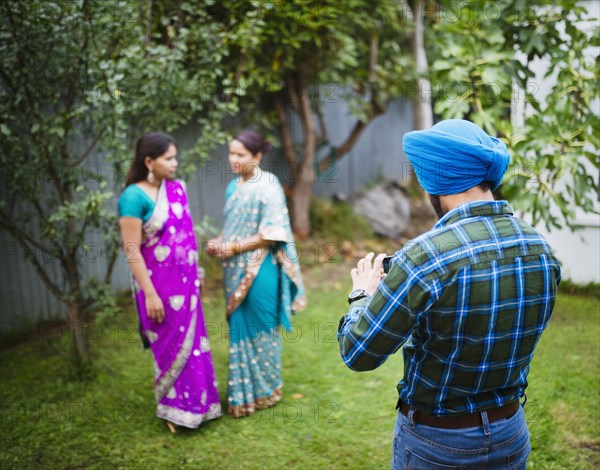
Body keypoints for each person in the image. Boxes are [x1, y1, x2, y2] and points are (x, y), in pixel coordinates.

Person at [337, 119, 561, 469]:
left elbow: (359, 353)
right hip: (511, 432)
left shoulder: (424, 256)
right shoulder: (540, 248)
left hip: (437, 443)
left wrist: (362, 295)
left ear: (433, 184)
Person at [118, 132, 221, 432]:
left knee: (194, 346)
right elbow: (132, 250)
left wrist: (198, 273)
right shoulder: (132, 197)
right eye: (169, 158)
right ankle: (173, 409)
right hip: (157, 288)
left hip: (186, 284)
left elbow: (188, 236)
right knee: (169, 347)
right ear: (149, 161)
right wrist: (149, 294)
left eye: (176, 157)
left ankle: (199, 404)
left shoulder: (177, 189)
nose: (176, 163)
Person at [207, 130, 306, 417]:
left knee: (262, 328)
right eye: (231, 153)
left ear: (258, 156)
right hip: (233, 268)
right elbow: (231, 226)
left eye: (240, 154)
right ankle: (243, 395)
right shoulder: (233, 187)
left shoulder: (268, 184)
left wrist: (232, 247)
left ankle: (266, 390)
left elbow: (271, 233)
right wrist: (219, 241)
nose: (233, 159)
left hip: (258, 268)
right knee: (239, 328)